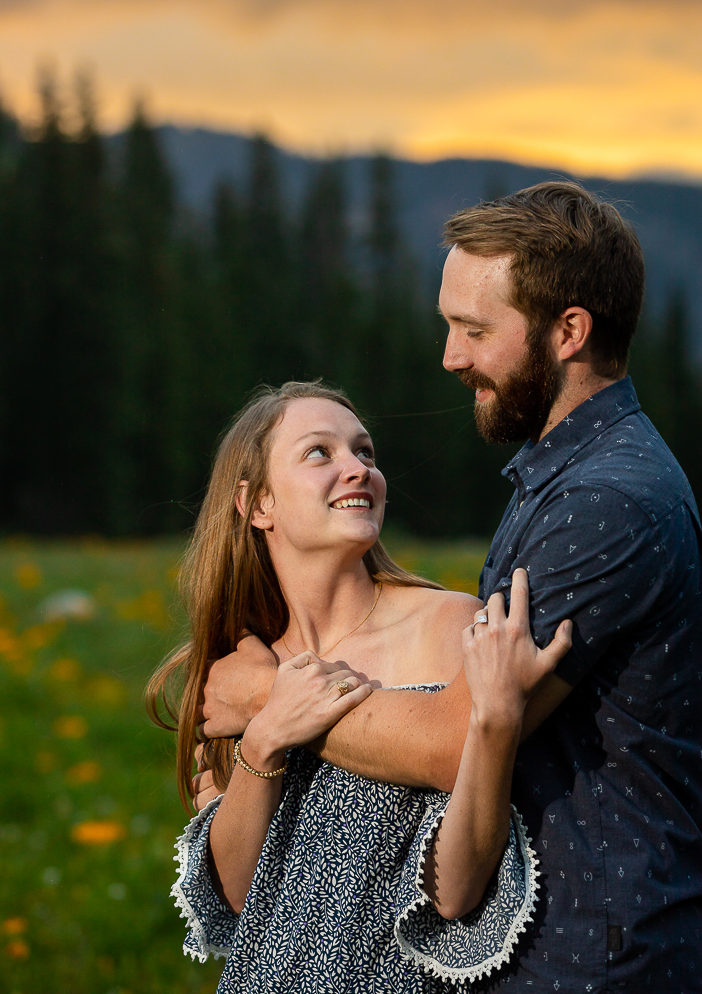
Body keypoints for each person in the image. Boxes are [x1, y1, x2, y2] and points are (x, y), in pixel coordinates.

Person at [199, 182, 702, 992]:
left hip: (597, 953)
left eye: (473, 329)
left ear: (568, 331)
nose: (450, 356)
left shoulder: (602, 502)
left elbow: (452, 737)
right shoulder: (565, 480)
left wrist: (264, 699)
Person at [148, 382, 571, 991]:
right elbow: (242, 900)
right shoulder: (237, 671)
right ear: (258, 504)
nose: (357, 470)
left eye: (365, 453)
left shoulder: (449, 625)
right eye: (320, 453)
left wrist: (495, 720)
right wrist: (265, 741)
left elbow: (455, 893)